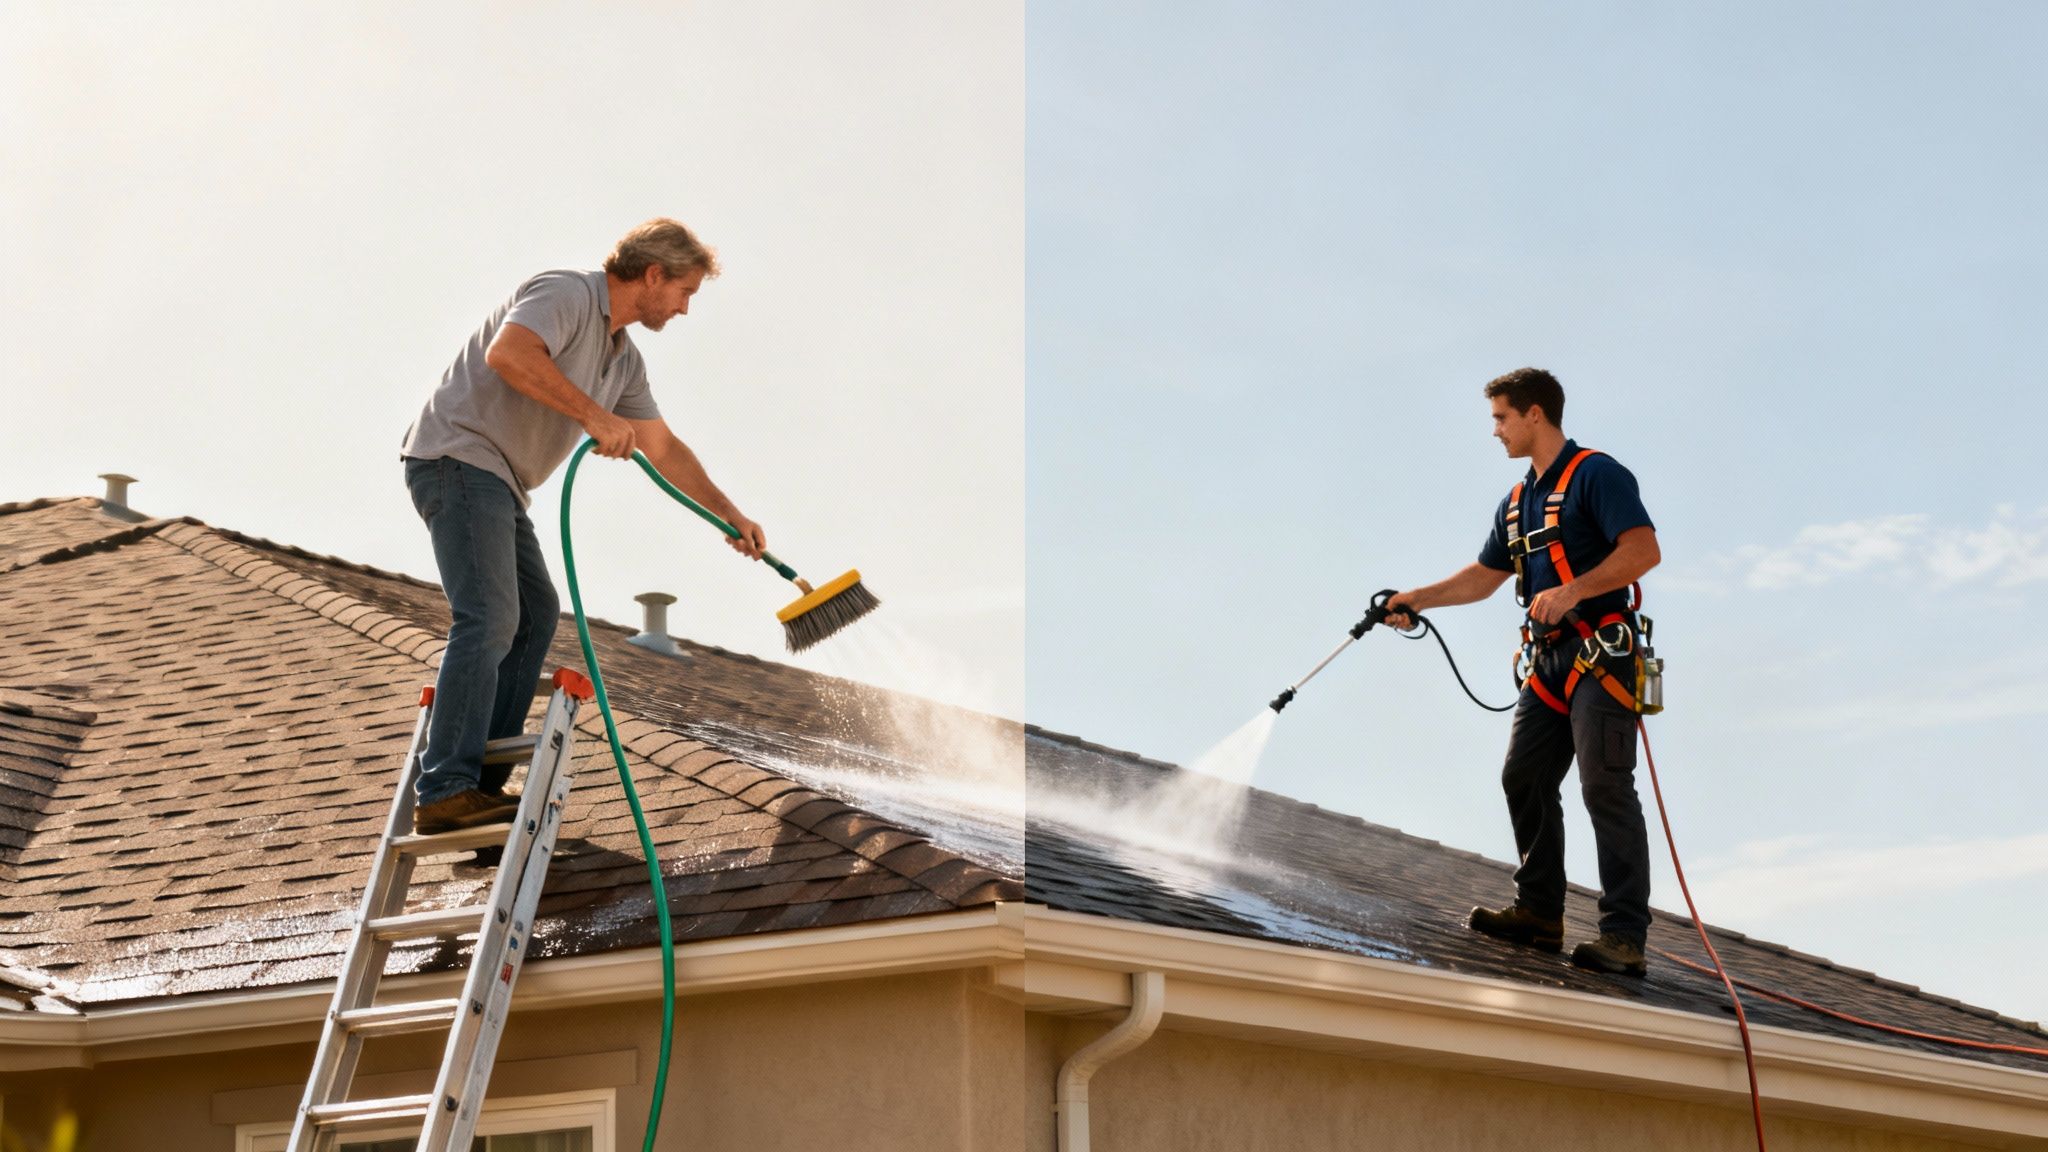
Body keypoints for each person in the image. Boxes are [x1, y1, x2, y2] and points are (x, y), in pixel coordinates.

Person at [399, 218, 766, 835]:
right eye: (685, 293)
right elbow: (510, 354)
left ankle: (477, 788)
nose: (684, 309)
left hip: (499, 483)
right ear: (653, 274)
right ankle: (444, 788)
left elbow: (662, 446)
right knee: (489, 616)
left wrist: (726, 513)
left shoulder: (624, 360)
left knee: (536, 614)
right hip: (457, 458)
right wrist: (592, 415)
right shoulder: (567, 292)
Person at [1386, 368, 1661, 975]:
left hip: (1602, 655)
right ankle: (1539, 914)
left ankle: (1624, 938)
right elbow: (1484, 578)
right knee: (1523, 777)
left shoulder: (1597, 474)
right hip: (1548, 663)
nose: (1496, 432)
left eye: (1501, 418)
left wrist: (1572, 590)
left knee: (1604, 788)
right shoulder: (1516, 504)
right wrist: (1416, 599)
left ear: (1535, 414)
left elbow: (1643, 551)